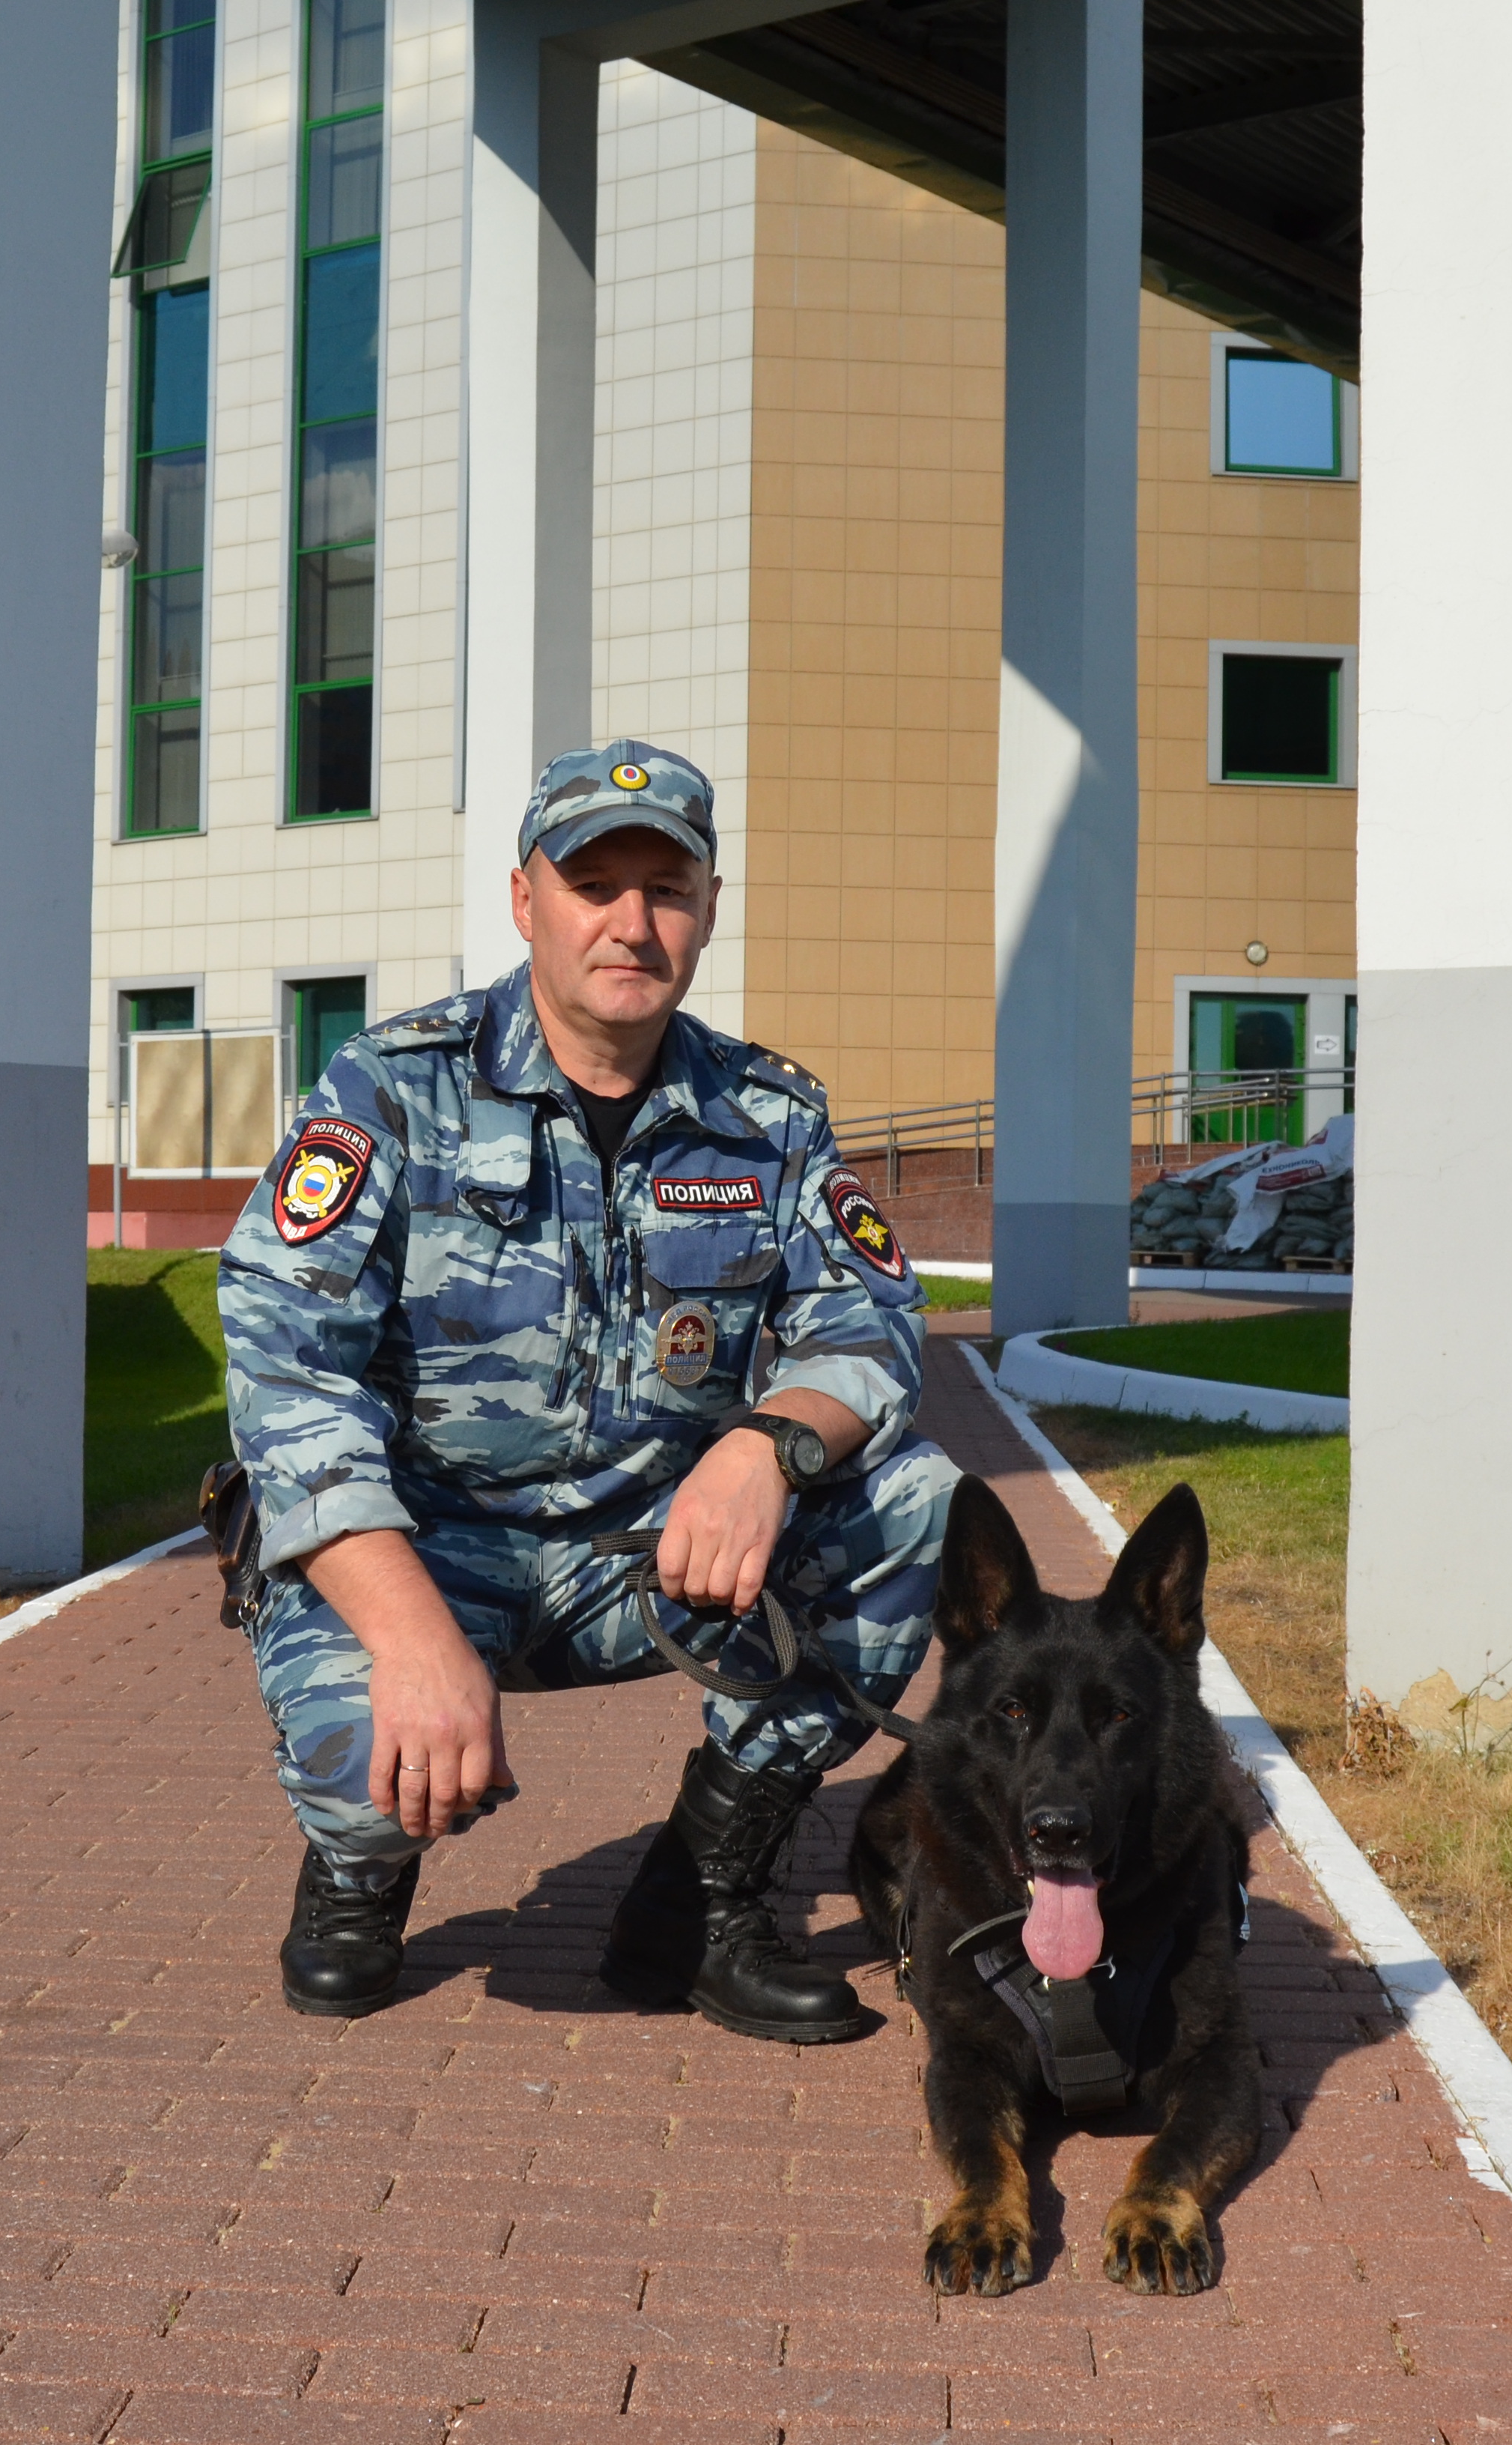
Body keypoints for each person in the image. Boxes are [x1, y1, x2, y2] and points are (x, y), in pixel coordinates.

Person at [216, 739, 958, 2040]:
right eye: (591, 884)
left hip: (650, 1556)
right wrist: (410, 1636)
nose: (631, 923)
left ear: (710, 909)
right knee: (370, 1783)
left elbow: (874, 1326)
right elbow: (286, 1364)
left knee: (913, 1499)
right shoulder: (394, 1088)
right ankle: (357, 1870)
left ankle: (701, 1899)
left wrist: (765, 1449)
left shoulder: (769, 1117)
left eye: (666, 889)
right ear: (525, 901)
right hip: (425, 1547)